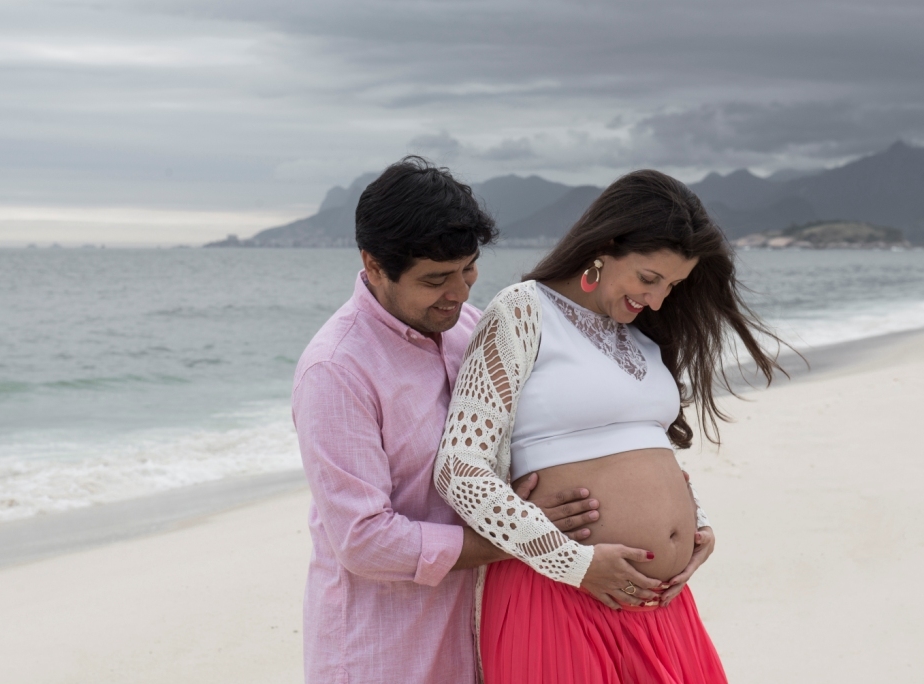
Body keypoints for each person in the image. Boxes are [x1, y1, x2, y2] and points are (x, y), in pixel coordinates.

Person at [435, 169, 782, 683]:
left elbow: (637, 443)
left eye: (673, 285)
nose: (659, 299)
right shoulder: (522, 311)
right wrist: (573, 562)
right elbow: (459, 469)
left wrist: (694, 524)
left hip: (662, 606)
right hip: (562, 594)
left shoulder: (639, 334)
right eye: (649, 278)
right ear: (606, 245)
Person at [292, 157, 607, 683]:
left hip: (480, 635)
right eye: (436, 279)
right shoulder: (335, 370)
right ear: (372, 266)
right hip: (383, 655)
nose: (459, 292)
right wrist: (522, 538)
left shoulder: (469, 327)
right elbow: (364, 540)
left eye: (469, 269)